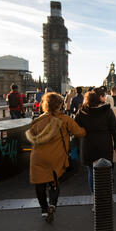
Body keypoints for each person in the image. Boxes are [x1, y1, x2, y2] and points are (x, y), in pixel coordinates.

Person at [26, 92, 86, 223]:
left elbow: (31, 135)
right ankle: (52, 204)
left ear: (45, 105)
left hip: (37, 157)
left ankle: (43, 209)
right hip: (54, 156)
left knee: (39, 184)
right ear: (59, 106)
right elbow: (79, 132)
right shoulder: (64, 119)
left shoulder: (38, 120)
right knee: (54, 181)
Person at [75, 90, 116, 211]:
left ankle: (95, 200)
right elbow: (115, 129)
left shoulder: (82, 113)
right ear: (98, 100)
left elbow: (75, 129)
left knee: (91, 172)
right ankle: (107, 199)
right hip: (104, 145)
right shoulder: (107, 111)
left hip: (89, 145)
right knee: (107, 172)